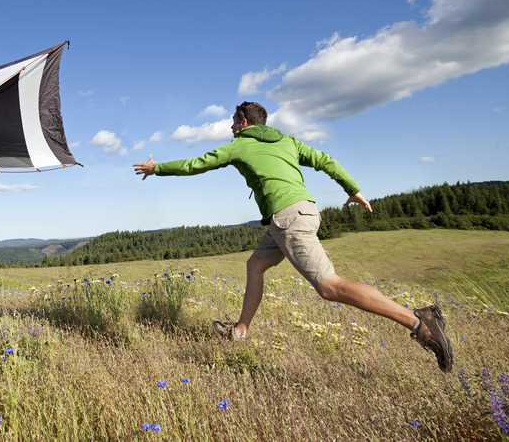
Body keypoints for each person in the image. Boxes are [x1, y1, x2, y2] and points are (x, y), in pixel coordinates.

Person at [133, 101, 453, 372]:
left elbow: (196, 164)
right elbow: (325, 160)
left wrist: (157, 167)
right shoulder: (288, 142)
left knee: (329, 287)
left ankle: (418, 322)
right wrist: (353, 190)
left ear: (243, 122)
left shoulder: (240, 144)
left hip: (288, 219)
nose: (231, 128)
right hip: (296, 214)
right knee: (256, 266)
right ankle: (240, 332)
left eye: (233, 123)